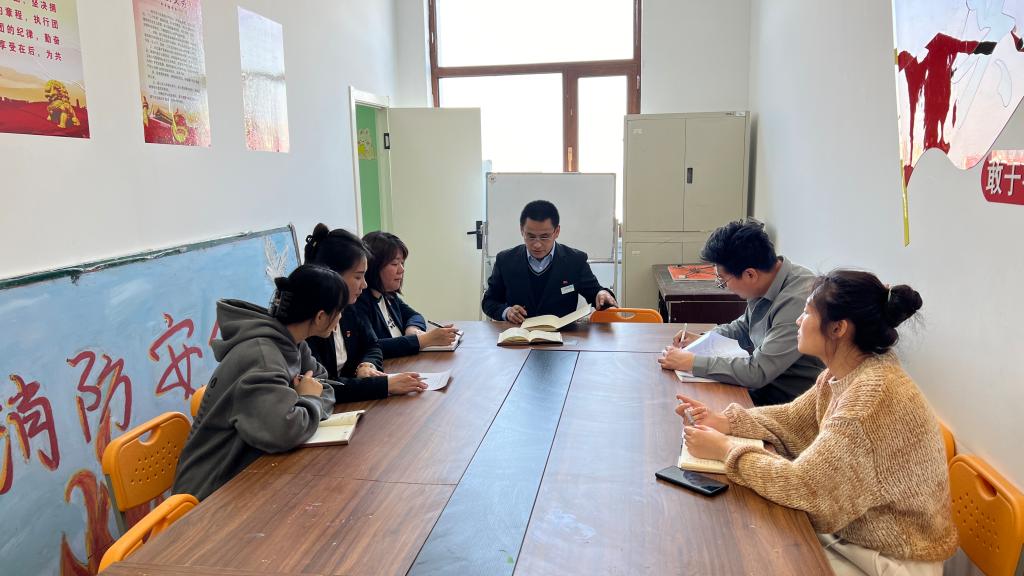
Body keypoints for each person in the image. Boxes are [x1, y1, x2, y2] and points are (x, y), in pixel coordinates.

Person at [676, 270, 956, 575]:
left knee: (749, 556)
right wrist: (726, 421)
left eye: (807, 312)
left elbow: (805, 489)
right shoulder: (851, 371)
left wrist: (726, 450)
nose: (798, 321)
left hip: (891, 558)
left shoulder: (867, 402)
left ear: (838, 328)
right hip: (858, 536)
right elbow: (793, 420)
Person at [173, 265, 341, 500]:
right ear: (321, 317)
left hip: (251, 471)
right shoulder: (262, 356)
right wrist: (309, 398)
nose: (340, 319)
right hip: (212, 489)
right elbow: (284, 431)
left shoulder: (295, 343)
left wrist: (304, 400)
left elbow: (327, 385)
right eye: (339, 312)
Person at [658, 219, 823, 405]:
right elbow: (745, 326)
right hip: (763, 388)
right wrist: (705, 339)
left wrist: (691, 362)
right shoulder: (768, 279)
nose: (725, 287)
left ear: (750, 274)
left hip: (787, 402)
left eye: (723, 281)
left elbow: (758, 371)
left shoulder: (797, 301)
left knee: (691, 406)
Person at [304, 224, 426, 398]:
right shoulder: (312, 322)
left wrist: (366, 364)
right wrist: (384, 385)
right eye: (358, 277)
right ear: (333, 275)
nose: (364, 284)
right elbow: (323, 386)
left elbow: (372, 345)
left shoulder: (349, 308)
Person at [481, 200, 617, 323]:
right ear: (522, 230)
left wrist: (602, 294)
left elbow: (595, 293)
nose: (537, 244)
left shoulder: (575, 261)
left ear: (557, 232)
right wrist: (506, 312)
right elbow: (489, 301)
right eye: (530, 236)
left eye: (544, 237)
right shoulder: (505, 260)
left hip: (563, 337)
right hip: (519, 337)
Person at [354, 231, 459, 358]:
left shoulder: (389, 295)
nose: (401, 270)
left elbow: (415, 316)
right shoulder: (358, 301)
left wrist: (412, 329)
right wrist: (424, 340)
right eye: (394, 264)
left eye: (402, 263)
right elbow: (372, 347)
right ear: (373, 266)